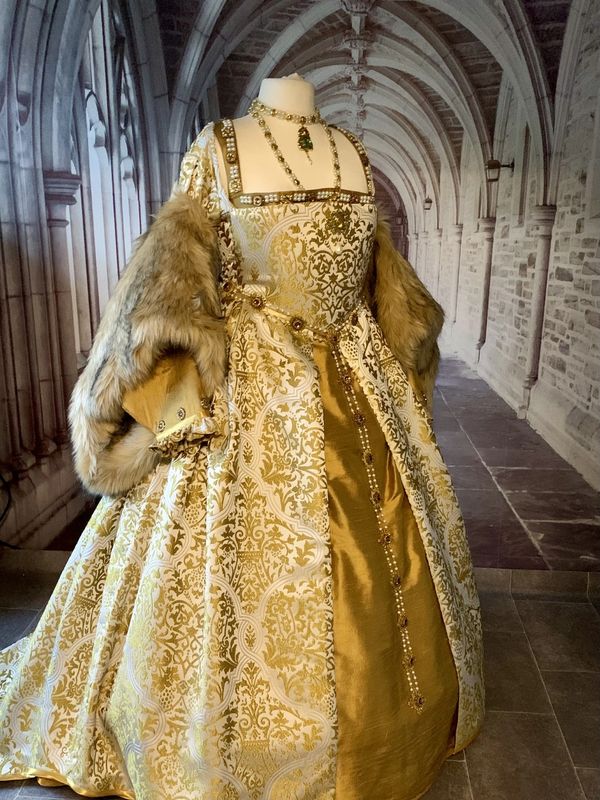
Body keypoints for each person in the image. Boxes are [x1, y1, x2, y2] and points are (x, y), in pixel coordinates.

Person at [0, 73, 484, 800]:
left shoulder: (341, 148)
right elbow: (179, 282)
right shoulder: (228, 148)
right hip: (254, 387)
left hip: (350, 381)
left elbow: (167, 282)